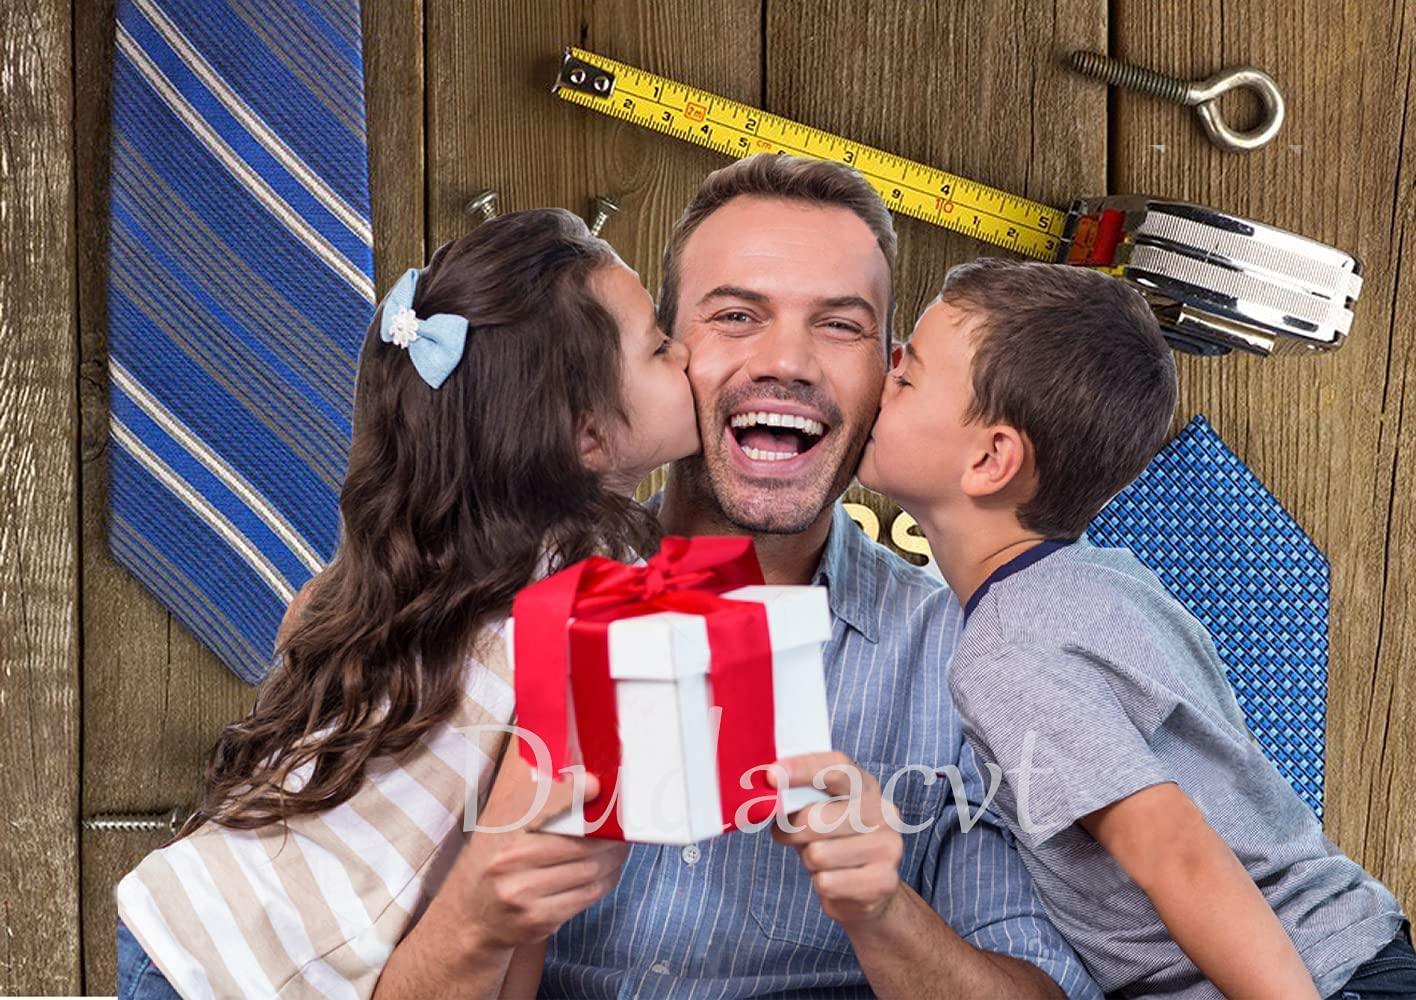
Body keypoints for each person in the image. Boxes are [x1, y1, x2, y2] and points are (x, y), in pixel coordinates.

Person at [381, 154, 1102, 998]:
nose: (786, 361)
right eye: (736, 315)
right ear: (658, 357)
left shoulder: (967, 660)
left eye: (840, 325)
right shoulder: (498, 605)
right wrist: (476, 916)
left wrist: (884, 912)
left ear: (888, 376)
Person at [113, 208, 700, 999]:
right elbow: (517, 900)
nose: (689, 353)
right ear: (588, 437)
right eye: (662, 346)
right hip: (248, 976)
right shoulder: (595, 607)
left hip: (181, 921)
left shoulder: (438, 559)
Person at [857, 255, 1415, 999]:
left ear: (991, 459)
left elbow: (1171, 848)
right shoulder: (1100, 578)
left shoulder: (1008, 647)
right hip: (1357, 951)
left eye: (906, 373)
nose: (879, 373)